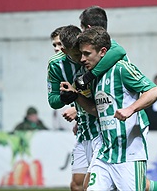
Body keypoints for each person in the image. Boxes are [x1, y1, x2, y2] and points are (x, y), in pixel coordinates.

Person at [60, 26, 157, 191]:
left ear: (103, 51)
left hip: (128, 154)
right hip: (105, 154)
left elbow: (154, 91)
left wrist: (131, 109)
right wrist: (76, 96)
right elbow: (96, 110)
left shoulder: (121, 69)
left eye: (87, 54)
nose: (82, 59)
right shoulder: (93, 77)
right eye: (81, 54)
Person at [47, 24, 126, 191]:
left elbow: (120, 51)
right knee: (76, 186)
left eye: (82, 52)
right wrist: (66, 97)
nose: (81, 58)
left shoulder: (97, 55)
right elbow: (53, 101)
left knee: (94, 186)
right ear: (66, 51)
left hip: (103, 128)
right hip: (83, 129)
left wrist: (82, 84)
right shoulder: (56, 65)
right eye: (76, 54)